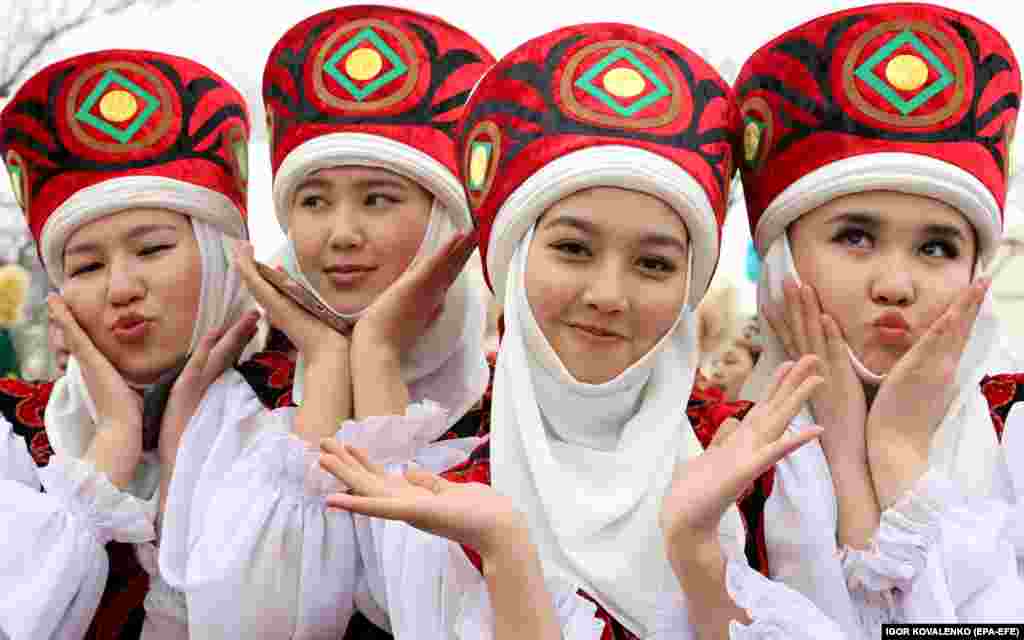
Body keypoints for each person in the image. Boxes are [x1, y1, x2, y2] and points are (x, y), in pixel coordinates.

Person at [316, 22, 850, 640]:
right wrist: (505, 550)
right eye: (573, 248)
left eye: (654, 264)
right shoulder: (447, 478)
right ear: (514, 266)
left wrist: (697, 549)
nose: (607, 296)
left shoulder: (758, 466)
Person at [175, 7, 497, 638]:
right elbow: (250, 619)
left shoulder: (507, 412)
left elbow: (427, 615)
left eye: (379, 198)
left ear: (446, 221)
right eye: (313, 201)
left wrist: (375, 358)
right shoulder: (245, 405)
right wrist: (324, 366)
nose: (340, 235)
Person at [0, 49, 333, 638]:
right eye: (85, 267)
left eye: (152, 249)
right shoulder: (16, 437)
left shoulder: (306, 412)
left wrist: (185, 457)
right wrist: (113, 442)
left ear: (220, 258)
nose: (121, 289)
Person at [726, 3, 1024, 634]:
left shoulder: (1014, 433)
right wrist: (838, 452)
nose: (896, 285)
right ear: (782, 262)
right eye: (855, 237)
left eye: (937, 248)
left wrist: (893, 456)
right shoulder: (723, 459)